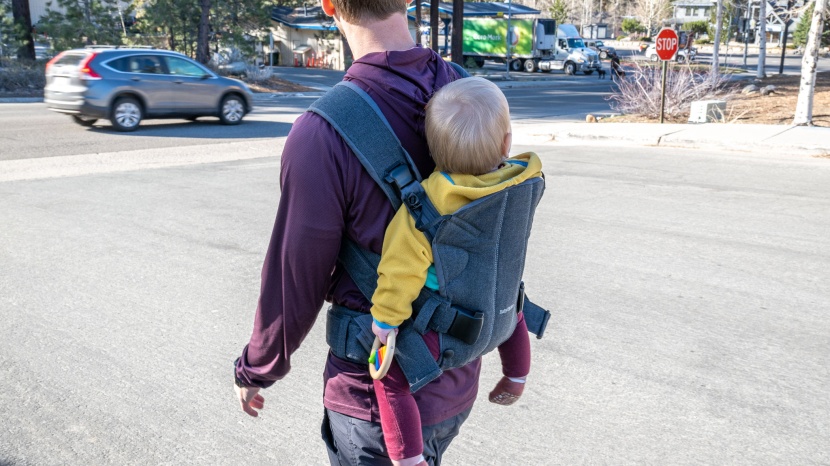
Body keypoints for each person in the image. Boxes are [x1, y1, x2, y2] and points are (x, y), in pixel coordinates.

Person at [233, 0, 493, 464]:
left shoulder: (321, 133)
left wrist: (257, 366)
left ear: (328, 5)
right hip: (458, 373)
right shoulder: (470, 93)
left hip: (376, 402)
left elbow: (295, 279)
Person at [369, 77, 542, 466]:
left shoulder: (426, 205)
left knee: (389, 375)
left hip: (446, 327)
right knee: (512, 301)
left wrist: (385, 320)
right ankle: (516, 375)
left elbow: (400, 272)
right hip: (498, 313)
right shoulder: (522, 183)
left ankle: (408, 456)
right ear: (505, 144)